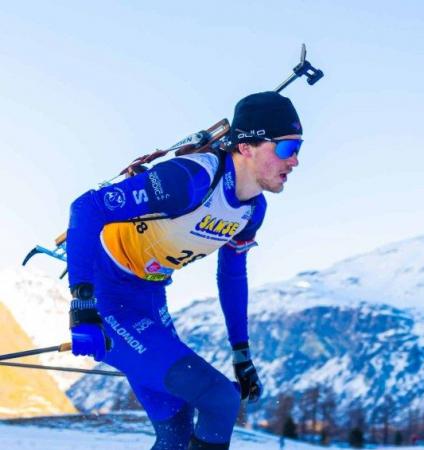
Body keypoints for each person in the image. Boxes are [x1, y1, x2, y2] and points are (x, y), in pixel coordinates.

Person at [65, 91, 303, 450]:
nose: (295, 160)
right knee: (220, 400)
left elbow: (233, 276)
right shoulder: (188, 180)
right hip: (106, 297)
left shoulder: (252, 211)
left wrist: (241, 353)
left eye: (299, 148)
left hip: (149, 297)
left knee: (176, 430)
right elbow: (86, 208)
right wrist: (82, 303)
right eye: (286, 148)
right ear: (247, 147)